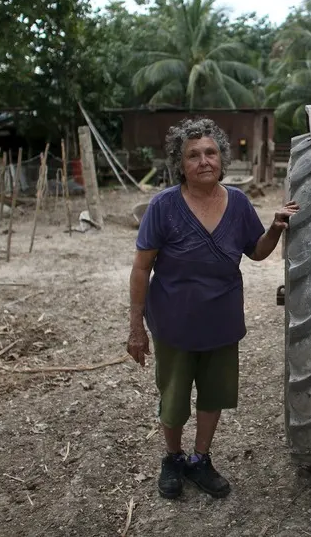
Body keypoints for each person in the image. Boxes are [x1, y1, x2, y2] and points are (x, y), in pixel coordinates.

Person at [127, 117, 299, 501]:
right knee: (172, 398)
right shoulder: (164, 206)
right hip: (174, 323)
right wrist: (136, 326)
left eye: (211, 152)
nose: (204, 161)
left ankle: (200, 459)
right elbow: (141, 268)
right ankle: (172, 459)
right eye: (193, 155)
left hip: (221, 322)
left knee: (213, 395)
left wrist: (274, 228)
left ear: (221, 158)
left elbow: (255, 252)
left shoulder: (237, 203)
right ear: (180, 164)